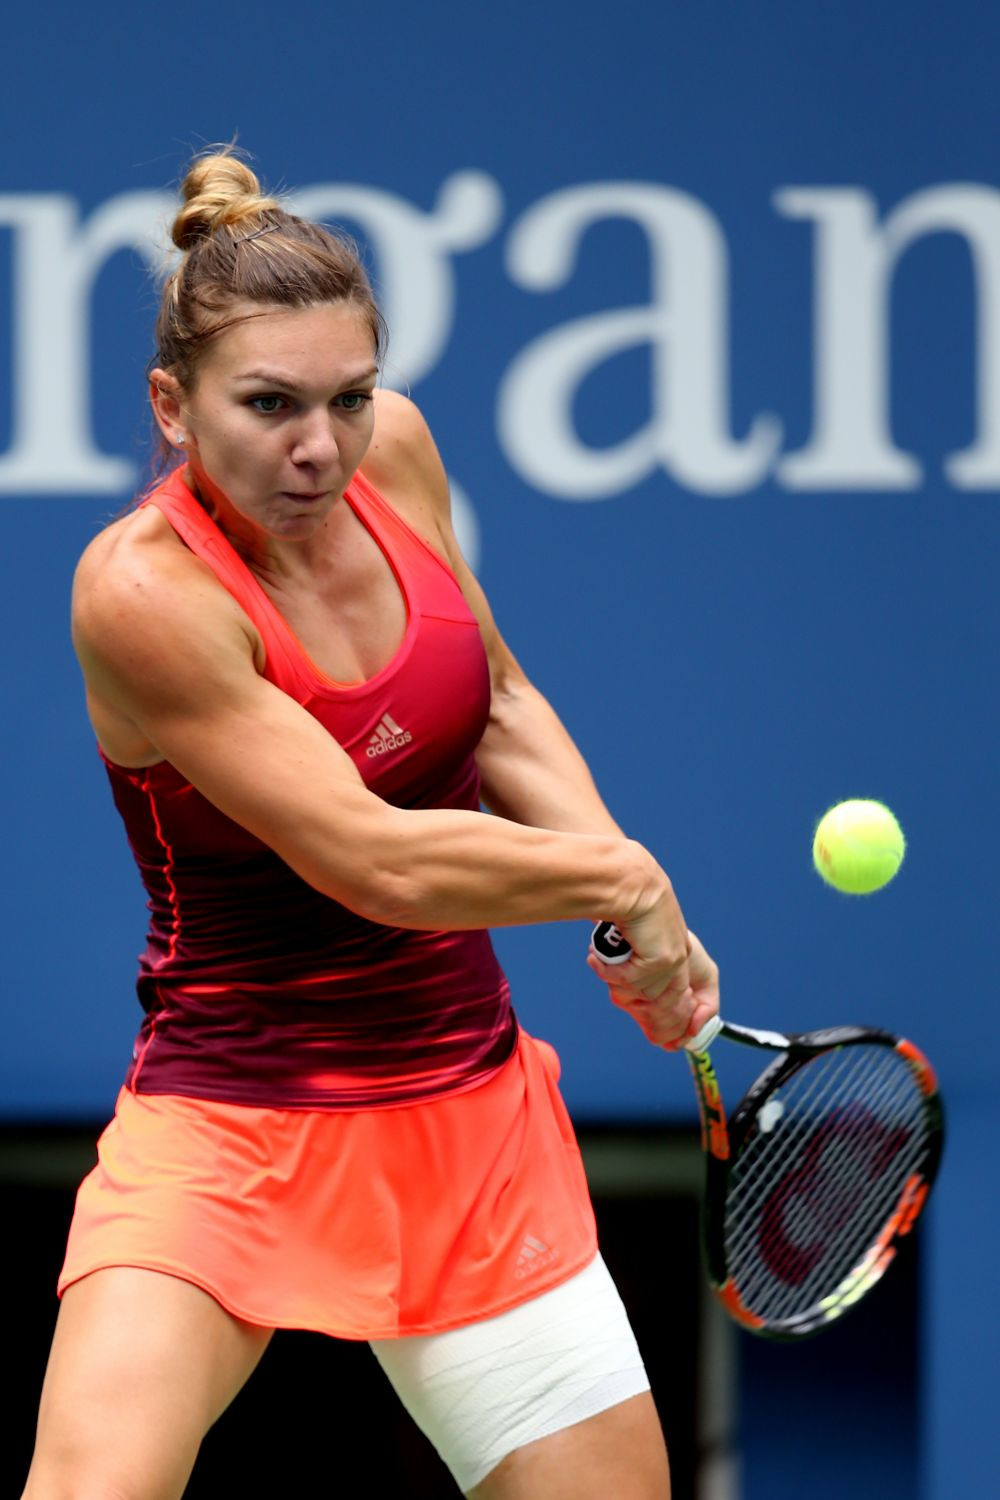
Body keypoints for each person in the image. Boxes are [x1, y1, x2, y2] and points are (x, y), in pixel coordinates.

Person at [22, 148, 719, 1500]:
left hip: (470, 1128)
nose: (320, 446)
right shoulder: (143, 591)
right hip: (227, 1130)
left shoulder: (394, 455)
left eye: (347, 398)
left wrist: (632, 924)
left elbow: (499, 701)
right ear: (172, 406)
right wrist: (623, 876)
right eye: (270, 405)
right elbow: (379, 862)